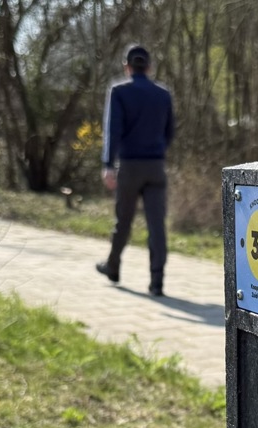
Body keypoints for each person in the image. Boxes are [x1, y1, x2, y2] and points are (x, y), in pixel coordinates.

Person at [96, 44, 174, 297]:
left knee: (124, 221)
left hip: (129, 166)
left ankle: (113, 266)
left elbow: (113, 130)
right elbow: (170, 131)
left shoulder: (119, 91)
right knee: (157, 226)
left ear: (127, 67)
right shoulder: (163, 94)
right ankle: (157, 282)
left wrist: (108, 165)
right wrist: (158, 149)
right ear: (149, 67)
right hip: (156, 167)